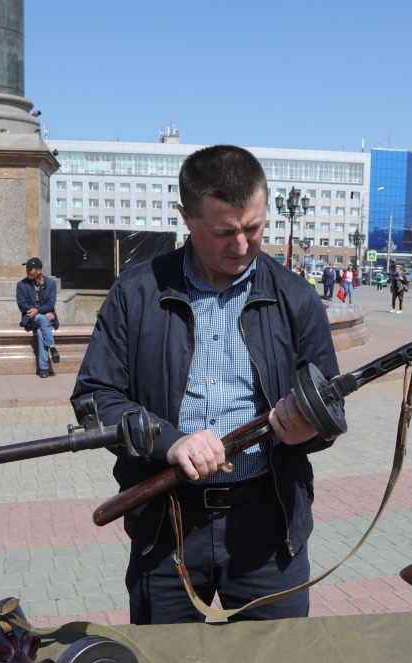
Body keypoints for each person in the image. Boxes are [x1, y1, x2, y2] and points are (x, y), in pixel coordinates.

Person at [72, 144, 338, 625]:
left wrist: (310, 430)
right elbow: (96, 397)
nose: (242, 244)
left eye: (253, 227)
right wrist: (170, 442)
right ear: (185, 218)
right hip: (167, 523)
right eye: (223, 232)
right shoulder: (136, 292)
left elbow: (330, 403)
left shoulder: (297, 298)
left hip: (269, 527)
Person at [16, 257, 59, 378]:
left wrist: (38, 310)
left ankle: (43, 369)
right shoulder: (21, 285)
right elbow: (22, 305)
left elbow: (51, 304)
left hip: (45, 318)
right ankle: (52, 348)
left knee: (41, 331)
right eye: (27, 269)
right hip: (30, 317)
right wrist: (37, 312)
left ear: (39, 270)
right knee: (42, 319)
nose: (28, 271)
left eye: (31, 269)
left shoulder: (50, 284)